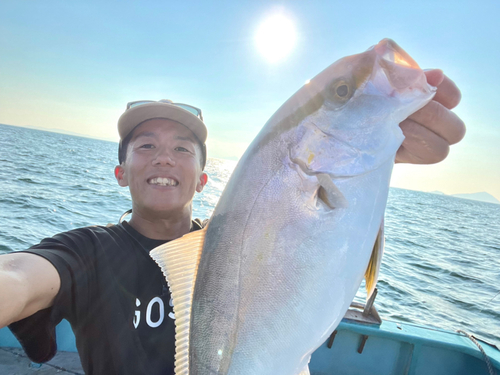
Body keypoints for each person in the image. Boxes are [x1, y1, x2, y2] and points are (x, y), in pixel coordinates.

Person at [0, 70, 465, 374]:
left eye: (182, 148)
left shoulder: (246, 244)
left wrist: (379, 158)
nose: (164, 157)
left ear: (203, 179)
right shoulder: (88, 252)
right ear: (121, 173)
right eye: (145, 146)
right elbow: (18, 277)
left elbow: (321, 248)